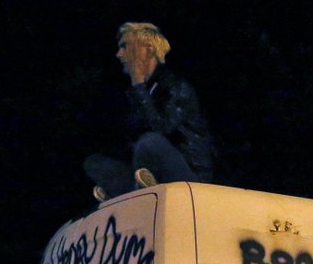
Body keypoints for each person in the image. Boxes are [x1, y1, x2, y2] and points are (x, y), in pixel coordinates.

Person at [84, 21, 215, 200]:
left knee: (149, 143)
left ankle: (134, 194)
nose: (119, 54)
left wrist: (138, 85)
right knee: (94, 162)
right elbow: (128, 143)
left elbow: (160, 129)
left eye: (125, 46)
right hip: (149, 169)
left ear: (148, 50)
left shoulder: (176, 87)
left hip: (189, 179)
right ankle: (130, 193)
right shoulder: (142, 92)